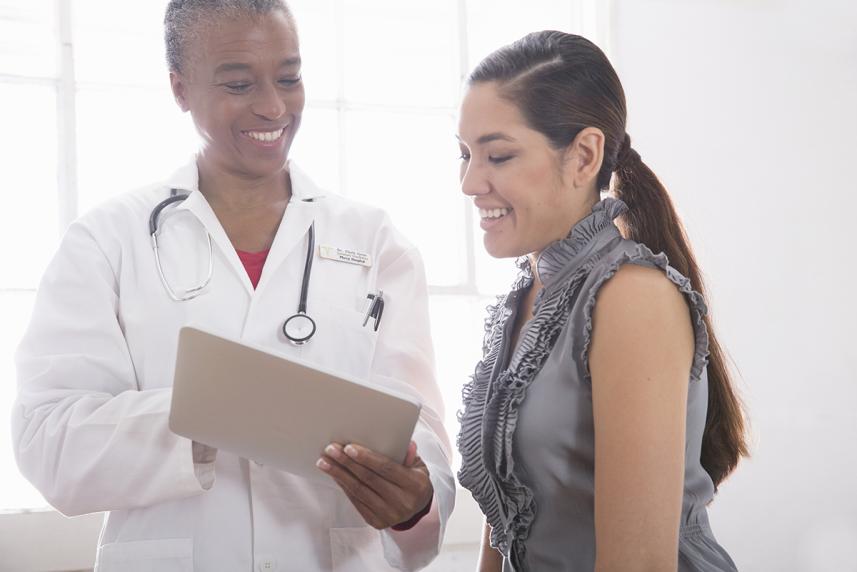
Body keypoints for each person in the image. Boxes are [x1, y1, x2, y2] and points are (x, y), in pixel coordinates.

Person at [11, 1, 454, 570]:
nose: (273, 106)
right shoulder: (106, 240)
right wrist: (209, 416)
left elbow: (423, 435)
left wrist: (415, 502)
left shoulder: (375, 241)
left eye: (289, 78)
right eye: (239, 83)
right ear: (179, 88)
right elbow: (49, 443)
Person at [455, 31, 748, 572]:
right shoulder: (524, 296)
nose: (470, 182)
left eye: (497, 155)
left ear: (585, 155)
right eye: (465, 154)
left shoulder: (632, 299)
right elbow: (506, 516)